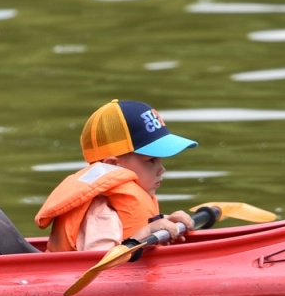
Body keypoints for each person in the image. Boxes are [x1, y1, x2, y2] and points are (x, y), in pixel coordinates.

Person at [35, 99, 199, 253]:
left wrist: (165, 221)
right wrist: (145, 233)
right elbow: (99, 268)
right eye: (151, 160)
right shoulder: (101, 214)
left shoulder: (116, 207)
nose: (161, 169)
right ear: (113, 166)